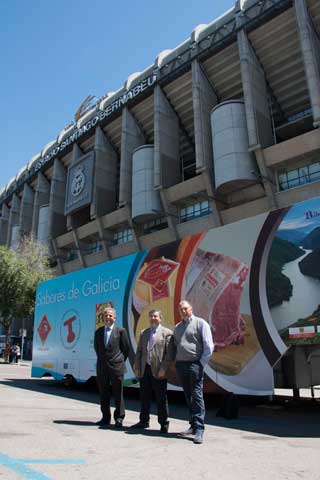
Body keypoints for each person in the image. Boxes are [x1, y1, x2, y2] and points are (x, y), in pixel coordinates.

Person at [172, 300, 214, 444]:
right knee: (188, 395)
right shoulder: (177, 327)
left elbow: (209, 346)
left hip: (195, 364)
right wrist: (176, 362)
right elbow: (176, 345)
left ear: (191, 308)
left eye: (185, 308)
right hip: (181, 366)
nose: (183, 311)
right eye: (180, 309)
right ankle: (193, 425)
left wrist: (200, 364)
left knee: (196, 396)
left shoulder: (201, 323)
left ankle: (200, 429)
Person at [132, 309, 172, 433]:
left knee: (161, 398)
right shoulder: (144, 333)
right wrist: (138, 368)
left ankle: (163, 423)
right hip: (145, 370)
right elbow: (139, 352)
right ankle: (144, 421)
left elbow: (169, 355)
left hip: (159, 371)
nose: (153, 318)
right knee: (144, 397)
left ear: (160, 318)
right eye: (151, 316)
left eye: (155, 316)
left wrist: (163, 369)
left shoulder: (167, 333)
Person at [94, 307, 130, 428]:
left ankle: (119, 418)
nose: (107, 317)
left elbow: (126, 349)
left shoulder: (121, 331)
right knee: (104, 394)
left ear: (114, 317)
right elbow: (97, 349)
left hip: (117, 367)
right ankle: (105, 417)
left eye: (110, 315)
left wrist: (119, 361)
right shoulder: (98, 332)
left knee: (118, 394)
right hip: (102, 368)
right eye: (105, 315)